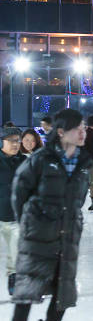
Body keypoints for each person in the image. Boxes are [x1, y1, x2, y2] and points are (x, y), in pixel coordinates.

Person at [6, 109, 91, 321]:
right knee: (29, 285)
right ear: (62, 131)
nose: (83, 132)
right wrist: (30, 223)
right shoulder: (41, 159)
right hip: (38, 233)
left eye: (85, 128)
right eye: (79, 128)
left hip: (67, 233)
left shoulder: (83, 163)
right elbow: (19, 192)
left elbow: (80, 199)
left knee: (64, 287)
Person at [0, 127, 25, 296]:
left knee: (15, 252)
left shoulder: (24, 161)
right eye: (11, 141)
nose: (15, 144)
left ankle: (13, 277)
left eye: (17, 140)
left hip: (15, 215)